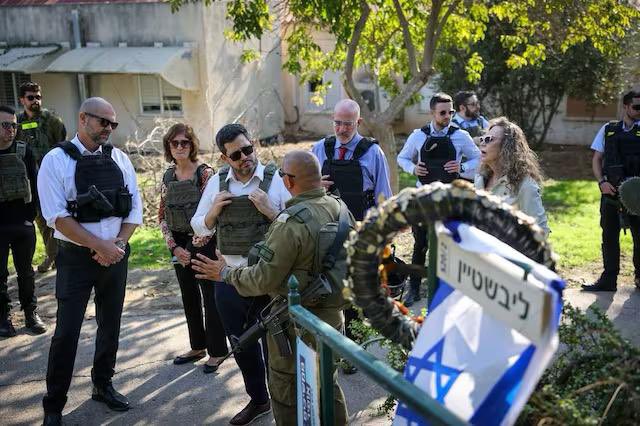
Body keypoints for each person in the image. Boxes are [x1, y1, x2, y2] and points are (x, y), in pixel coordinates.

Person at [191, 150, 352, 426]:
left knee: (286, 389)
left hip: (296, 324)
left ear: (289, 181)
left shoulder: (290, 223)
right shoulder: (340, 208)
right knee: (328, 383)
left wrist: (225, 272)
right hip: (333, 317)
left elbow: (262, 280)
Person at [38, 97, 142, 426]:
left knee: (110, 325)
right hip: (76, 258)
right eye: (103, 122)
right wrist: (100, 246)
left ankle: (103, 385)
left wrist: (118, 245)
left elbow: (134, 209)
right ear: (83, 118)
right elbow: (57, 217)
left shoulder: (121, 159)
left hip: (116, 253)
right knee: (66, 332)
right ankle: (54, 404)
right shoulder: (55, 161)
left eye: (113, 124)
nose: (109, 129)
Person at [190, 123, 290, 425]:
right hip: (230, 279)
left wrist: (272, 211)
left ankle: (286, 404)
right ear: (224, 158)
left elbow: (298, 227)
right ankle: (259, 400)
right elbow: (199, 225)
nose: (244, 157)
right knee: (242, 344)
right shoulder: (217, 183)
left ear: (254, 143)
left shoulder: (276, 180)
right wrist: (212, 212)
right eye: (236, 155)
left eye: (248, 149)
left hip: (270, 279)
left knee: (279, 347)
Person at [310, 98, 392, 369]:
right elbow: (300, 188)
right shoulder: (319, 149)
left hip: (359, 230)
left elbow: (384, 197)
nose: (342, 129)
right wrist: (316, 184)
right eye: (337, 122)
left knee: (355, 294)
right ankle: (330, 346)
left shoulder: (373, 153)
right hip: (325, 230)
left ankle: (353, 354)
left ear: (358, 123)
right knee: (329, 291)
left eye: (347, 123)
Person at [397, 92, 480, 306]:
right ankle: (414, 289)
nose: (448, 116)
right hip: (423, 197)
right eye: (443, 112)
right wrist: (413, 167)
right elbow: (402, 157)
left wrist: (462, 167)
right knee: (420, 245)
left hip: (451, 198)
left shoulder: (461, 136)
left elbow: (479, 160)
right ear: (432, 112)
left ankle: (448, 292)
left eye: (451, 111)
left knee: (450, 244)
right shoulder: (418, 135)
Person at [158, 123, 228, 373]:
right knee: (189, 296)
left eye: (184, 142)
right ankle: (197, 346)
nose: (179, 147)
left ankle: (217, 351)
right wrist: (175, 248)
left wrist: (192, 247)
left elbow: (214, 213)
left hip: (204, 242)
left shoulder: (205, 174)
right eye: (174, 143)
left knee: (210, 296)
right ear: (168, 146)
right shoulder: (168, 176)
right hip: (179, 246)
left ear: (192, 145)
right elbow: (161, 216)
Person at [582, 90, 640, 292]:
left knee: (639, 237)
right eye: (636, 107)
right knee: (609, 236)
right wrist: (601, 183)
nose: (639, 111)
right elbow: (597, 159)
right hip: (611, 193)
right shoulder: (608, 129)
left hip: (637, 197)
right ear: (625, 106)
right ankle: (608, 280)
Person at [0, 105, 46, 337]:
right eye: (5, 125)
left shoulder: (23, 150)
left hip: (22, 224)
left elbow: (36, 186)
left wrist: (31, 217)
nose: (10, 130)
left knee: (26, 272)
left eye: (13, 125)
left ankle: (31, 313)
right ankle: (3, 317)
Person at [17, 82, 67, 273]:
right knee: (41, 219)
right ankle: (52, 255)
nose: (36, 101)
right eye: (31, 97)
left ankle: (60, 256)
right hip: (29, 179)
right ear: (22, 100)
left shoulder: (53, 121)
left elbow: (63, 148)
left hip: (52, 178)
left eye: (38, 97)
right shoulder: (18, 122)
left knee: (58, 217)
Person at [474, 116, 550, 235]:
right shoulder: (480, 180)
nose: (482, 143)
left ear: (506, 146)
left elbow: (541, 231)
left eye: (489, 139)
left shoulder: (525, 185)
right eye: (482, 139)